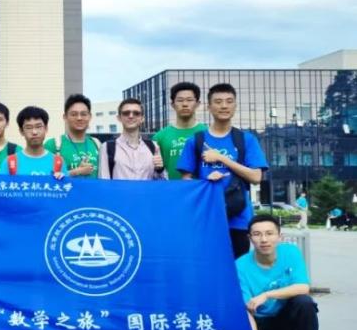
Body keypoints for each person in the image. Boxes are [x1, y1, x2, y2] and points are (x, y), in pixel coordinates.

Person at [178, 83, 268, 258]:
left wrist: (222, 158)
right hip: (206, 217)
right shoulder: (195, 141)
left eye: (229, 101)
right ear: (209, 107)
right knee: (207, 266)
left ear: (235, 105)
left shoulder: (246, 139)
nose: (224, 106)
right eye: (218, 102)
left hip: (238, 219)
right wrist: (206, 182)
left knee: (236, 267)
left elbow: (256, 177)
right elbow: (185, 182)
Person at [237, 214, 323, 330]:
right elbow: (245, 310)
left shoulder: (291, 252)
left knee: (305, 303)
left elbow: (303, 287)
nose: (264, 239)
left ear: (279, 236)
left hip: (284, 321)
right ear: (250, 238)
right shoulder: (240, 266)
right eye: (257, 234)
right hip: (256, 322)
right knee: (235, 313)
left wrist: (267, 295)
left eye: (269, 233)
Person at [98, 99, 166, 181]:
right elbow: (104, 182)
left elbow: (162, 183)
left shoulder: (153, 146)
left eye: (136, 113)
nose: (131, 116)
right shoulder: (107, 147)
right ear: (119, 118)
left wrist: (160, 169)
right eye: (126, 113)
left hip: (146, 190)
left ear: (142, 118)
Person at [152, 82, 207, 180]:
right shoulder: (159, 137)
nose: (185, 104)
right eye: (180, 100)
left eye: (189, 100)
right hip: (172, 188)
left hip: (201, 188)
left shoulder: (208, 133)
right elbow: (155, 171)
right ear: (173, 104)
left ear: (197, 104)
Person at [44, 94, 101, 178]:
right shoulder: (53, 145)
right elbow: (43, 177)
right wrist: (76, 172)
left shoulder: (97, 144)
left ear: (90, 116)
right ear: (65, 117)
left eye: (84, 114)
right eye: (74, 114)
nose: (79, 118)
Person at [8, 106, 66, 177]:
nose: (34, 132)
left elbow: (67, 183)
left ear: (46, 128)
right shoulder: (10, 162)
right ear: (21, 131)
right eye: (29, 128)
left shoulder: (58, 162)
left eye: (38, 126)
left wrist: (62, 180)